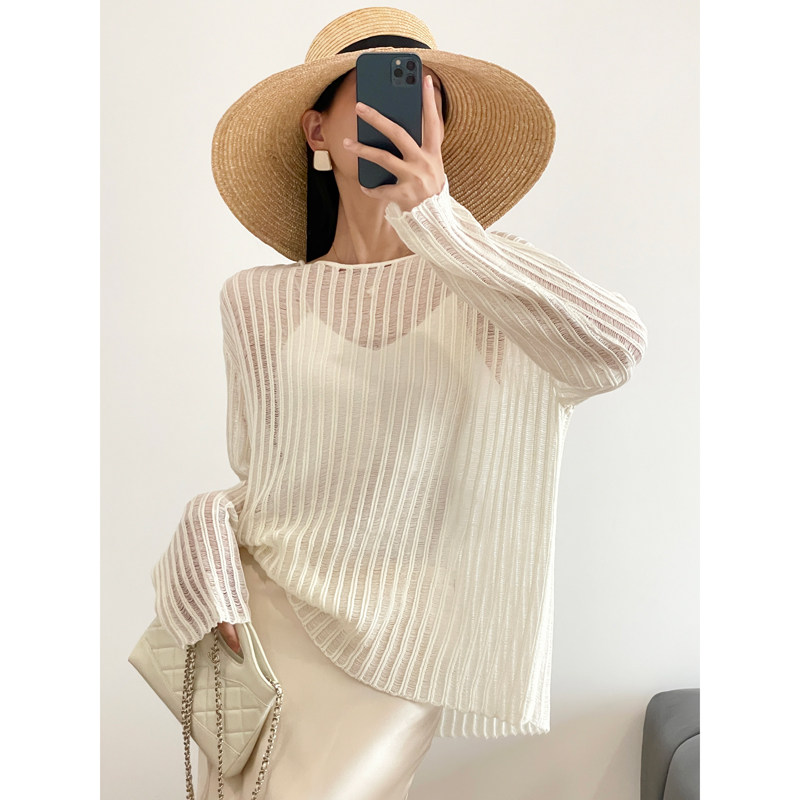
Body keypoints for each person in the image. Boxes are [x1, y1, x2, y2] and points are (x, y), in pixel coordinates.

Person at [148, 7, 648, 799]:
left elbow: (614, 348)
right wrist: (207, 525)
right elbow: (259, 475)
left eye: (423, 104)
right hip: (260, 614)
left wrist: (439, 223)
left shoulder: (484, 279)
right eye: (378, 97)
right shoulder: (254, 300)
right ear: (317, 130)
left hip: (403, 643)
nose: (400, 119)